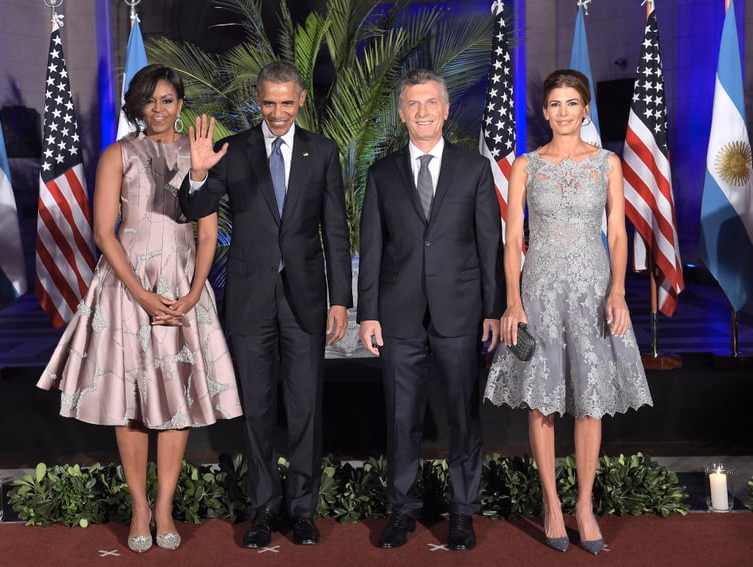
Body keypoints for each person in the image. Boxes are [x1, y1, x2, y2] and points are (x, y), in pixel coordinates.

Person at [37, 64, 243, 553]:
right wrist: (141, 294)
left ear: (180, 104)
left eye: (168, 100)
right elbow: (104, 232)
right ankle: (139, 507)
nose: (159, 109)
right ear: (136, 105)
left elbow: (208, 232)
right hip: (127, 288)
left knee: (176, 401)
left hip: (181, 287)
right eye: (150, 100)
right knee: (129, 400)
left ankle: (167, 506)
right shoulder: (118, 154)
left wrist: (192, 294)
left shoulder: (200, 157)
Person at [179, 61, 353, 548]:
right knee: (256, 410)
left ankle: (302, 510)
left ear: (300, 101)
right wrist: (196, 172)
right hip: (251, 297)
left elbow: (335, 231)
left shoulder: (322, 150)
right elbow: (193, 209)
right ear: (258, 100)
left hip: (307, 301)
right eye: (269, 102)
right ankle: (262, 511)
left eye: (287, 102)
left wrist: (341, 299)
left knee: (305, 408)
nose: (278, 112)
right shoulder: (232, 150)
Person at [483, 69, 652, 555]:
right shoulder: (526, 166)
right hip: (538, 292)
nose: (561, 112)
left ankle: (583, 504)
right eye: (553, 103)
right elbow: (512, 239)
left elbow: (617, 234)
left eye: (570, 103)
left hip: (594, 290)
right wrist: (513, 300)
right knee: (542, 399)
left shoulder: (607, 164)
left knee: (589, 400)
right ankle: (552, 503)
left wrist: (618, 290)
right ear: (545, 111)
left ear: (585, 109)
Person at [357, 69, 506, 551]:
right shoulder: (381, 175)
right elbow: (372, 248)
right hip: (398, 317)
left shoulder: (474, 169)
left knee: (463, 416)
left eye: (430, 103)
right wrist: (368, 312)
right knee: (402, 419)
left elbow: (490, 244)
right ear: (402, 114)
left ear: (445, 110)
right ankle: (401, 511)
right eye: (413, 105)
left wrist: (492, 308)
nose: (422, 112)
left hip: (461, 314)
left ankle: (462, 513)